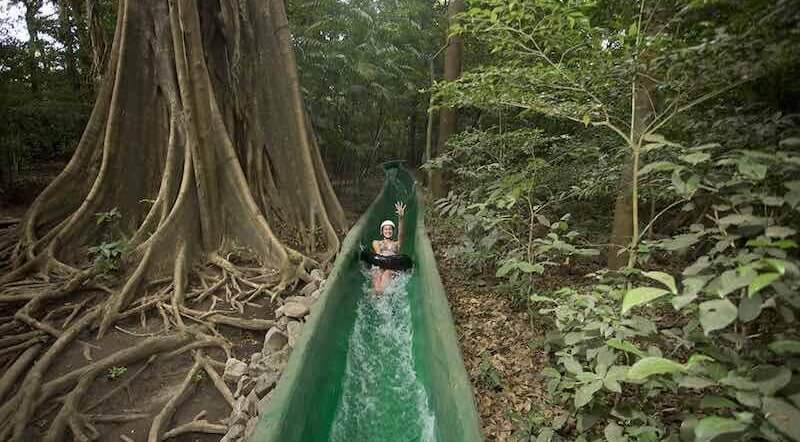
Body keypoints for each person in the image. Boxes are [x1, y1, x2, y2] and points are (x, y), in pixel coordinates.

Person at [371, 201, 406, 294]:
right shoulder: (376, 243)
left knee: (387, 273)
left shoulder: (396, 244)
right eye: (386, 229)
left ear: (393, 231)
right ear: (382, 231)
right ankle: (374, 298)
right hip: (380, 264)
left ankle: (383, 297)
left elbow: (401, 235)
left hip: (390, 267)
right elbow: (378, 253)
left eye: (390, 229)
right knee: (377, 277)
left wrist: (401, 218)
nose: (388, 231)